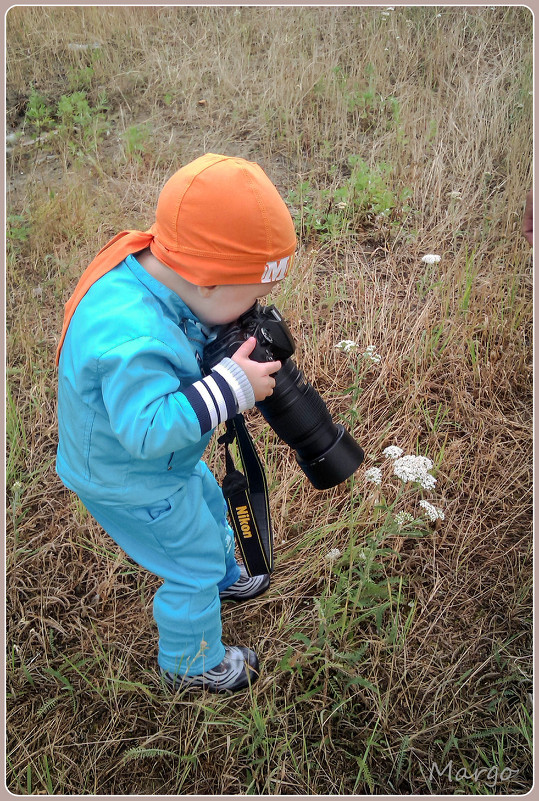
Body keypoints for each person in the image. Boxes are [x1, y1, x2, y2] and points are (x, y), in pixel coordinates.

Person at [55, 153, 297, 693]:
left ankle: (227, 575)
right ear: (207, 283)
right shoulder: (134, 340)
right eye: (250, 298)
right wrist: (232, 386)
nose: (253, 311)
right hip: (129, 475)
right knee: (190, 565)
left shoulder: (153, 268)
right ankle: (192, 661)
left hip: (165, 464)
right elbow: (147, 431)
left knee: (209, 502)